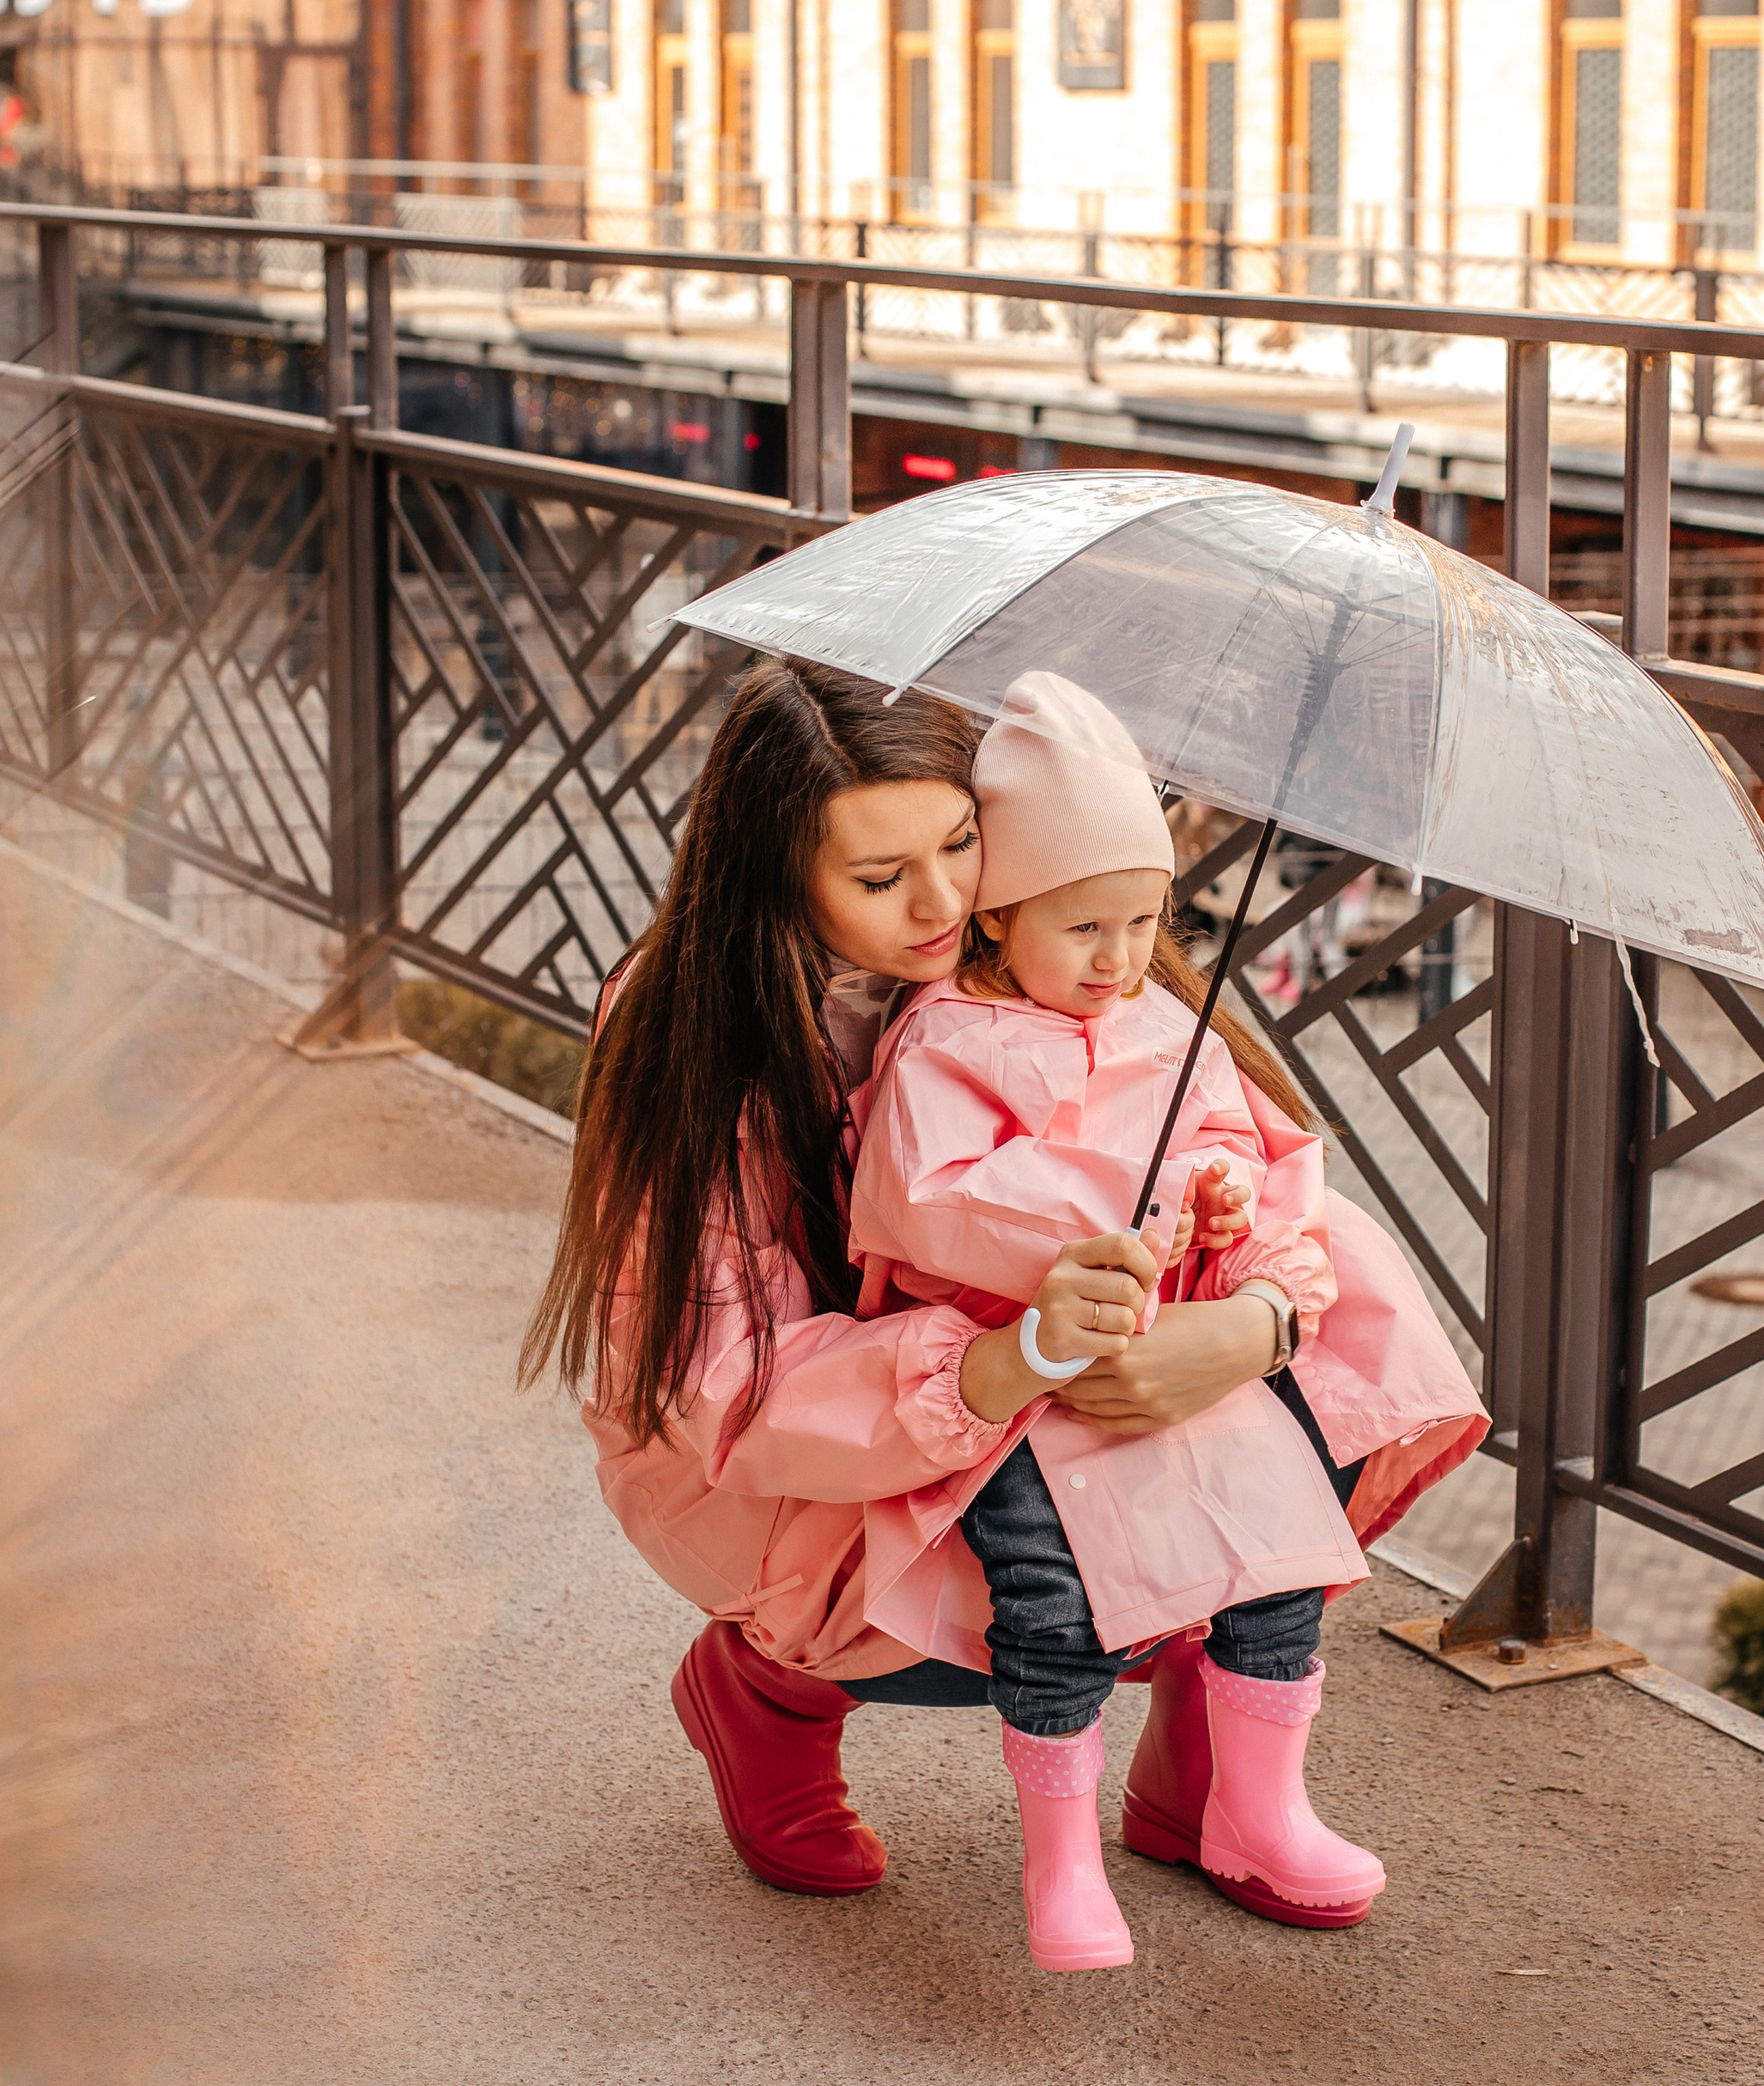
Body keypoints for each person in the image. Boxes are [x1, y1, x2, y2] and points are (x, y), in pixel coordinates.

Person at [522, 656, 1487, 1926]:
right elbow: (723, 1372)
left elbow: (1258, 1154)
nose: (942, 903)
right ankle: (765, 1696)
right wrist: (985, 1370)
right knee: (1028, 1591)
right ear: (776, 879)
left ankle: (1212, 1782)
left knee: (1309, 1409)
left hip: (1088, 1347)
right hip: (836, 1418)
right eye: (878, 879)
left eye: (961, 841)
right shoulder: (696, 1025)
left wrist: (1248, 1327)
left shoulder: (1043, 924)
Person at [849, 672, 1416, 1971]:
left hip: (1179, 1352)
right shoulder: (950, 1040)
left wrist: (1218, 1198)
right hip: (1032, 1380)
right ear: (1001, 922)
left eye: (1145, 921)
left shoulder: (1164, 1019)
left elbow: (1237, 1141)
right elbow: (926, 1203)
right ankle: (1062, 1863)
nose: (1118, 959)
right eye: (1084, 926)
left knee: (1280, 1565)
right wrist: (1110, 1204)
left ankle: (1263, 1806)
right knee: (1050, 1605)